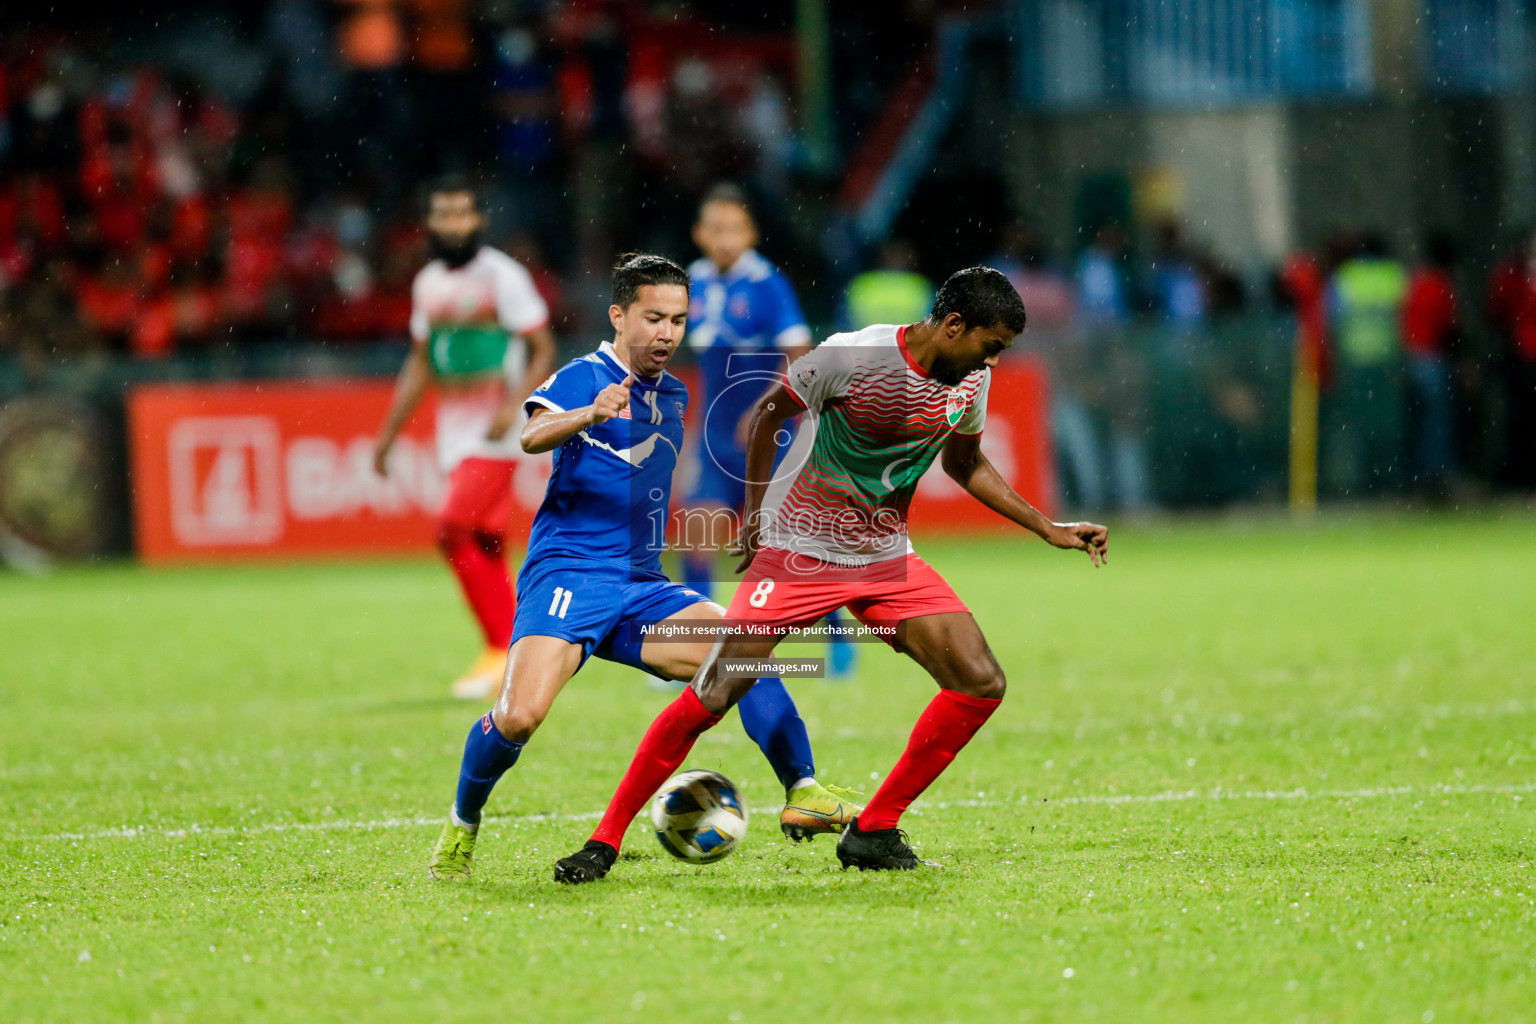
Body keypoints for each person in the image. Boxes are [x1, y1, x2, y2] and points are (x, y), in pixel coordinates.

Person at [553, 267, 1109, 884]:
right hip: (799, 551)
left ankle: (873, 830)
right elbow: (766, 414)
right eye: (991, 345)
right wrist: (758, 511)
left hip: (885, 558)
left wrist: (1047, 527)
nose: (995, 362)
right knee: (716, 690)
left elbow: (967, 462)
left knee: (979, 681)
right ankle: (602, 840)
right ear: (954, 325)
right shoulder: (855, 354)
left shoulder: (968, 377)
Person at [426, 254, 860, 882]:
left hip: (642, 585)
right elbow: (532, 435)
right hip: (569, 575)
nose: (667, 333)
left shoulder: (674, 392)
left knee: (745, 652)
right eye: (653, 318)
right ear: (618, 315)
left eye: (678, 321)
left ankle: (803, 790)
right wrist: (590, 415)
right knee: (519, 716)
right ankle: (463, 824)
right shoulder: (585, 375)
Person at [372, 177, 557, 699]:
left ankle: (502, 647)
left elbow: (542, 347)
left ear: (479, 220)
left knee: (451, 527)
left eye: (462, 215)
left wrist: (517, 403)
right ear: (430, 223)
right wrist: (388, 436)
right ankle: (526, 651)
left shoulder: (502, 276)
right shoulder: (427, 282)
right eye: (443, 215)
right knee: (486, 540)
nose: (453, 225)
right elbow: (419, 362)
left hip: (497, 429)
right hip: (454, 431)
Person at [680, 184, 856, 678]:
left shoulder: (768, 284)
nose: (725, 239)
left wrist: (764, 409)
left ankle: (838, 637)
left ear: (751, 233)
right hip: (715, 435)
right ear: (699, 234)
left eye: (735, 229)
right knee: (700, 533)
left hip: (772, 435)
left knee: (791, 544)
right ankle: (697, 649)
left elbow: (801, 356)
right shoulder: (691, 283)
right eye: (715, 229)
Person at [1400, 232, 1460, 499]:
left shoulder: (1413, 281)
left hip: (1410, 358)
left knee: (1416, 422)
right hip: (1431, 359)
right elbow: (1449, 327)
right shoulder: (1440, 284)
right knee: (1436, 423)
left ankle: (1413, 476)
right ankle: (1434, 478)